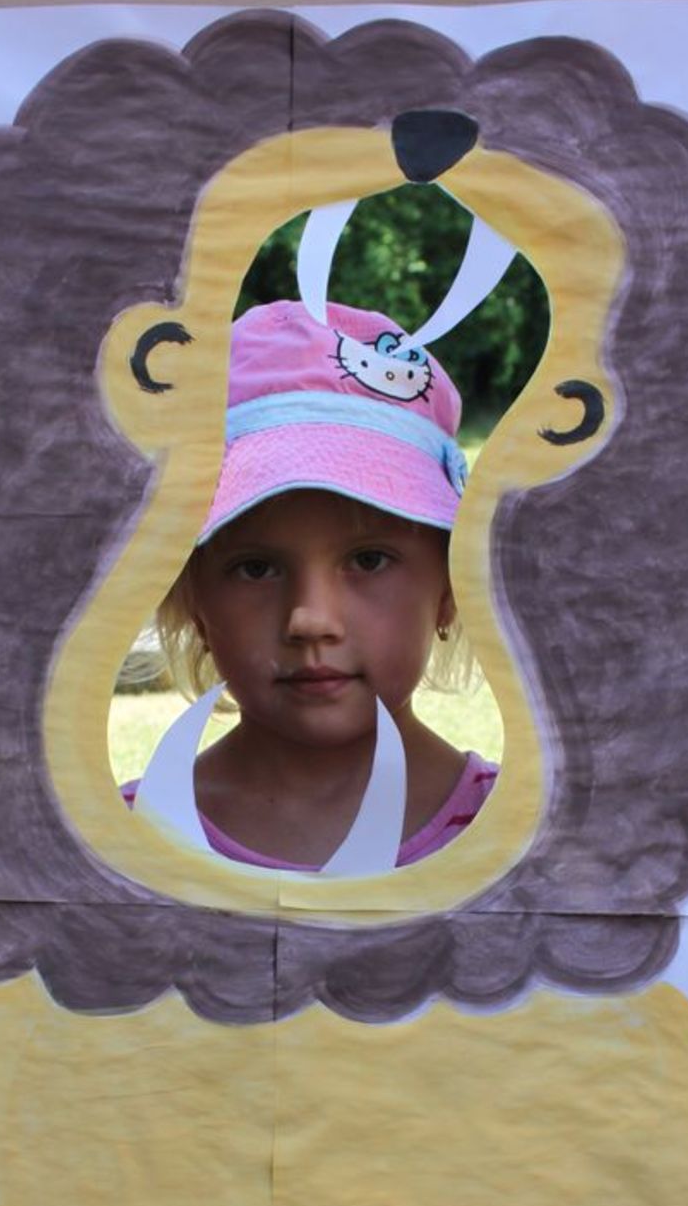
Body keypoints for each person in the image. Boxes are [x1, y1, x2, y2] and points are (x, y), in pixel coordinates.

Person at [127, 299, 497, 870]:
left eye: (368, 560)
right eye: (256, 568)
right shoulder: (117, 843)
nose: (310, 619)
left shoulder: (532, 839)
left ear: (451, 588)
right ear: (196, 601)